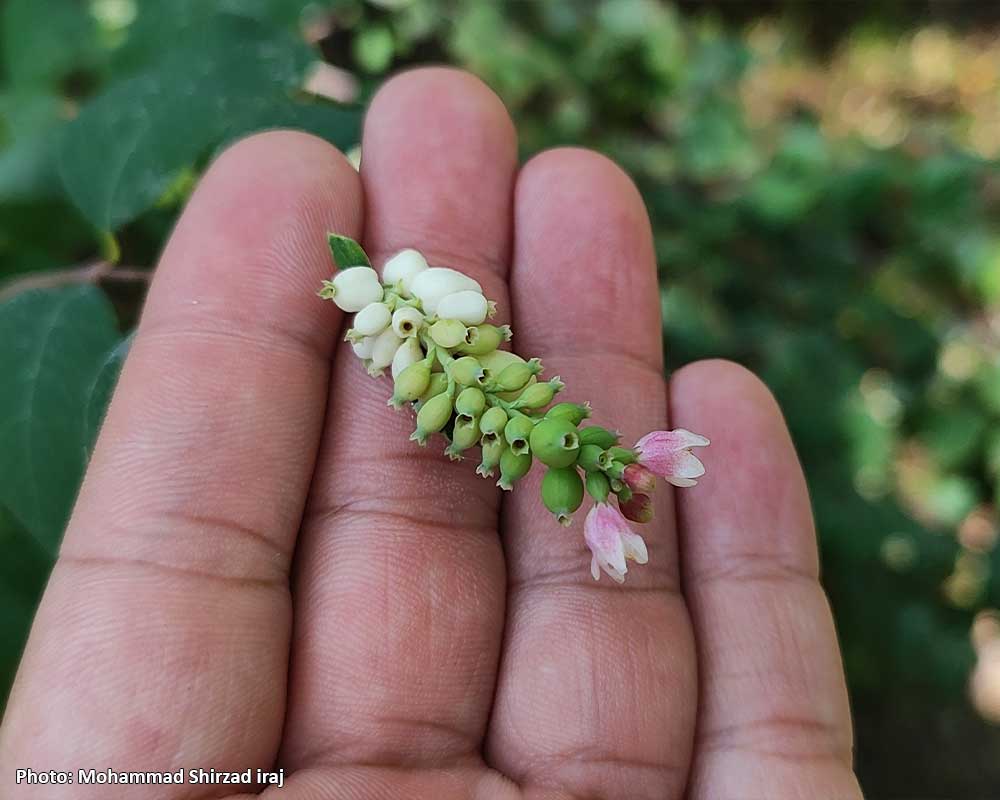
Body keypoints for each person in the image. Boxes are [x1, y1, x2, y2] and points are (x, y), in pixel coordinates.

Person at [0, 68, 863, 799]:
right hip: (427, 333)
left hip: (442, 345)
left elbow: (488, 387)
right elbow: (471, 377)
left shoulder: (481, 379)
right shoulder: (413, 325)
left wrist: (480, 389)